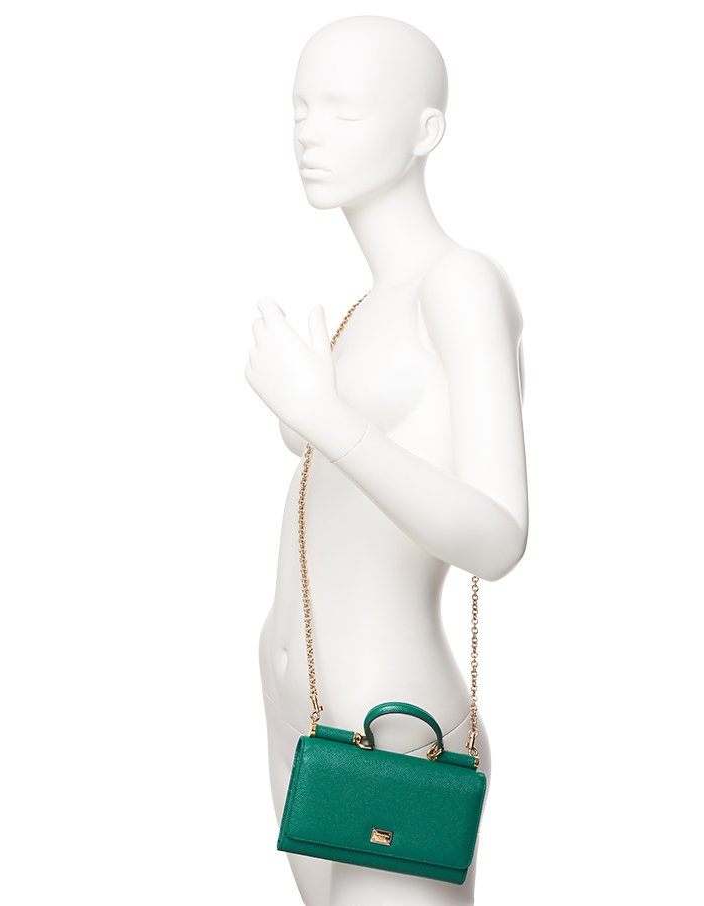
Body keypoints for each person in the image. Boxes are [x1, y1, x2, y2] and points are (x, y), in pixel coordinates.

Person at [246, 15, 528, 905]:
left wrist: (324, 417)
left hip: (394, 730)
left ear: (425, 130)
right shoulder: (362, 309)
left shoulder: (460, 284)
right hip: (306, 721)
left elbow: (499, 537)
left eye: (344, 110)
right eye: (300, 108)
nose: (309, 133)